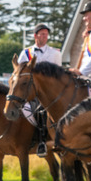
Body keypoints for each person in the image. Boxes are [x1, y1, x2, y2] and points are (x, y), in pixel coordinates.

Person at [16, 23, 61, 156]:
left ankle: (42, 142)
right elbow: (19, 73)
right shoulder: (25, 53)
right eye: (42, 34)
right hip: (30, 91)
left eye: (46, 34)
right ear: (35, 36)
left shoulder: (55, 53)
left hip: (49, 93)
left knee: (41, 111)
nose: (45, 36)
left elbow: (58, 74)